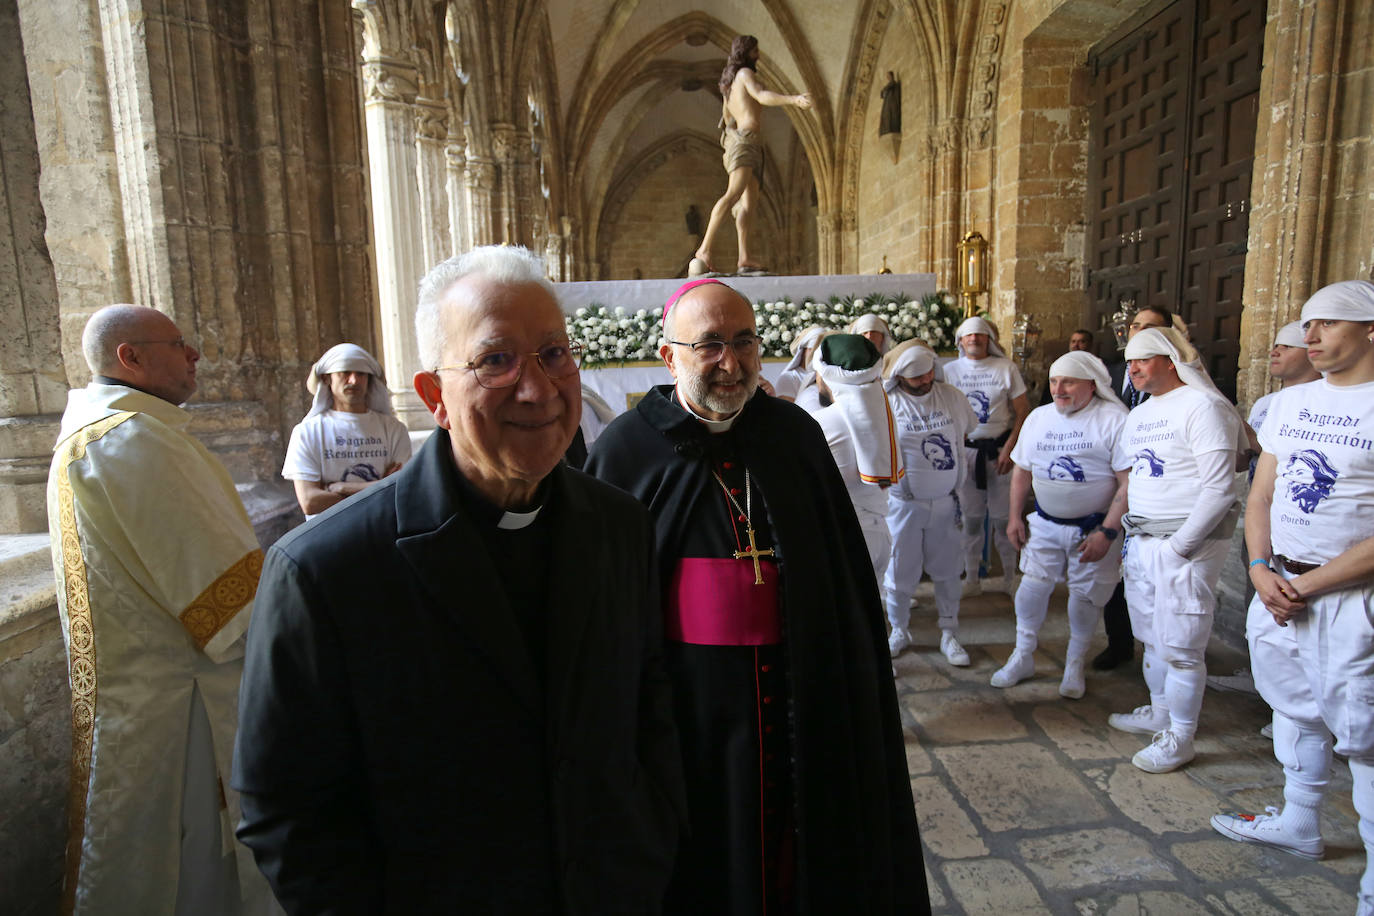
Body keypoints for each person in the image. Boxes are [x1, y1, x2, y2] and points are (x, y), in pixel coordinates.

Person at [233, 246, 685, 913]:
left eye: (553, 353)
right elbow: (286, 807)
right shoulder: (324, 570)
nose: (538, 389)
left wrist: (650, 848)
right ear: (435, 396)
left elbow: (647, 701)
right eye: (495, 360)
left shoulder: (619, 526)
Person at [584, 278, 927, 914]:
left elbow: (836, 573)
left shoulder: (791, 435)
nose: (731, 363)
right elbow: (599, 609)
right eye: (709, 345)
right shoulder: (628, 449)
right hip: (687, 706)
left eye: (744, 342)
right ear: (669, 356)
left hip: (798, 682)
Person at [47, 304, 272, 914]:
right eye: (179, 343)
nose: (195, 354)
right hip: (181, 707)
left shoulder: (101, 433)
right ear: (132, 358)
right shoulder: (133, 442)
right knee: (192, 872)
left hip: (141, 699)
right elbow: (228, 601)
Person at [1210, 281, 1374, 915]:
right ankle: (1300, 821)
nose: (1310, 336)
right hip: (1277, 581)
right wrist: (1258, 566)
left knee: (1364, 733)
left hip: (1350, 596)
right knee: (1294, 706)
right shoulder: (1290, 403)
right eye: (1307, 324)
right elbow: (1261, 495)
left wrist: (1305, 585)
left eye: (1327, 324)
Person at [1107, 326, 1244, 773]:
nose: (1134, 367)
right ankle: (1160, 712)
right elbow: (1136, 478)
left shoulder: (1204, 406)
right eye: (1129, 361)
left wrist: (1180, 547)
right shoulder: (1142, 412)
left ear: (1171, 360)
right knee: (1151, 637)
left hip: (1187, 544)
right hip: (1145, 539)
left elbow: (1220, 487)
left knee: (1182, 645)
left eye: (1143, 359)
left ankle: (1180, 737)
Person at [993, 352, 1129, 698]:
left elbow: (1128, 481)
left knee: (1085, 598)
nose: (1058, 389)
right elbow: (1022, 470)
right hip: (1045, 524)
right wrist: (1014, 517)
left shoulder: (1113, 418)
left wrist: (1109, 530)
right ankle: (1023, 655)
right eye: (1054, 381)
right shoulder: (1039, 418)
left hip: (1094, 530)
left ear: (1091, 384)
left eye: (1068, 381)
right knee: (1031, 591)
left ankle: (1074, 664)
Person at [881, 340, 978, 664]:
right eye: (916, 378)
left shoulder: (951, 396)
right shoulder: (887, 402)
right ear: (900, 376)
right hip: (904, 505)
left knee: (949, 571)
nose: (925, 382)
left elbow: (964, 434)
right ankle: (899, 629)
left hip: (946, 502)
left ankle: (950, 632)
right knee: (899, 572)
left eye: (928, 374)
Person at [689, 35, 811, 278]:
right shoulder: (744, 74)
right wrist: (794, 100)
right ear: (747, 52)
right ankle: (704, 250)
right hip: (745, 142)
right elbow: (761, 95)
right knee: (733, 194)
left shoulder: (728, 86)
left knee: (749, 202)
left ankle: (744, 257)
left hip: (750, 143)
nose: (759, 55)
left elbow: (726, 117)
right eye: (756, 50)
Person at [1094, 304, 1175, 670]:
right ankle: (1119, 642)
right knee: (1115, 575)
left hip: (1152, 492)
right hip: (1109, 485)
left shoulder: (1180, 385)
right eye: (1135, 326)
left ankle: (1166, 656)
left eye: (1150, 327)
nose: (1139, 332)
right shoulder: (1110, 374)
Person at [941, 316, 1029, 595]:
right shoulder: (950, 371)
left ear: (989, 340)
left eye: (980, 335)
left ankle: (1009, 578)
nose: (974, 340)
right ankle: (972, 578)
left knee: (1004, 520)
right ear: (960, 341)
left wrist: (1011, 448)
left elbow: (1023, 411)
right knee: (972, 518)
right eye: (969, 336)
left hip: (1001, 451)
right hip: (967, 452)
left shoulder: (1006, 368)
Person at [812, 333, 904, 583]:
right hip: (879, 533)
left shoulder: (819, 424)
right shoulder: (884, 414)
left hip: (842, 535)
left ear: (826, 374)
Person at [281, 343, 411, 518]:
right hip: (328, 536)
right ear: (327, 379)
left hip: (382, 530)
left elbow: (402, 488)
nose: (354, 380)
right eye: (345, 372)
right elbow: (310, 502)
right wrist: (379, 486)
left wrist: (343, 487)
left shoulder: (394, 429)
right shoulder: (307, 432)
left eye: (361, 374)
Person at [773, 324, 826, 402]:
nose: (817, 355)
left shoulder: (824, 375)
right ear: (804, 351)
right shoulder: (789, 378)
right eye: (813, 350)